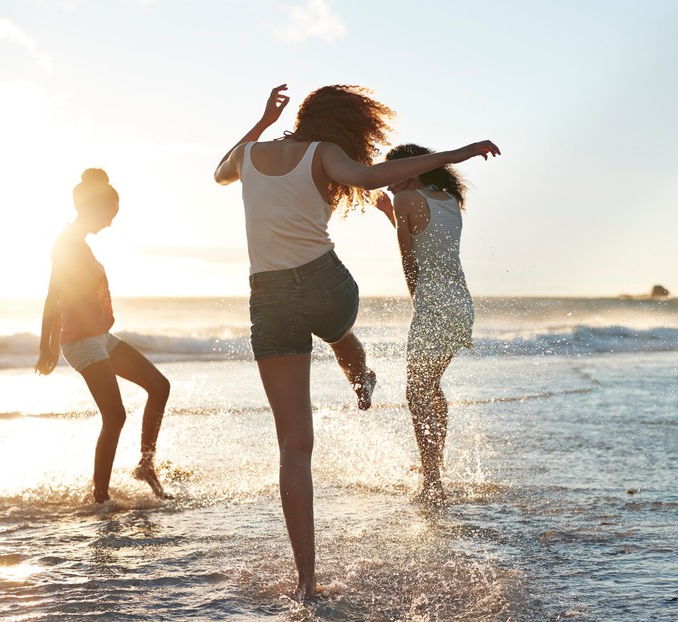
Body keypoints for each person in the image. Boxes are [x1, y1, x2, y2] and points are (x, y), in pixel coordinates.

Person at [214, 84, 500, 600]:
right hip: (328, 287)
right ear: (346, 126)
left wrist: (260, 121)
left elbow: (219, 173)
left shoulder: (250, 154)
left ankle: (305, 580)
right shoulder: (325, 154)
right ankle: (360, 371)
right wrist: (461, 153)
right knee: (339, 331)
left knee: (294, 448)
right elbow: (372, 178)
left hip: (270, 300)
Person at [35, 168, 171, 504]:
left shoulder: (78, 243)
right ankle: (100, 499)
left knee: (159, 386)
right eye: (109, 215)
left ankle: (145, 465)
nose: (110, 223)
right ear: (93, 209)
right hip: (80, 340)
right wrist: (46, 348)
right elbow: (52, 298)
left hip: (98, 336)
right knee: (115, 415)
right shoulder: (66, 243)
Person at [374, 143, 490, 507]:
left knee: (416, 393)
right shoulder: (448, 200)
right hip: (460, 304)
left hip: (435, 307)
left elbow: (410, 259)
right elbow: (430, 243)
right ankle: (433, 467)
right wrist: (388, 215)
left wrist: (418, 304)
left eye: (392, 173)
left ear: (413, 171)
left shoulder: (404, 202)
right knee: (430, 387)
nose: (386, 180)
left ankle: (432, 481)